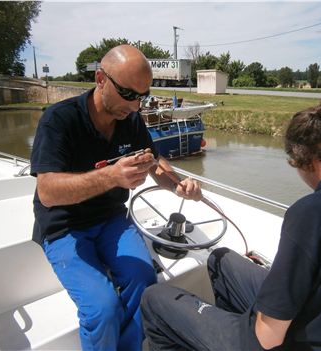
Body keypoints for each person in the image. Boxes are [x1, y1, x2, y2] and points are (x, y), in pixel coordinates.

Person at [141, 96, 321, 350]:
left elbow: (267, 337)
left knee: (156, 299)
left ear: (300, 161)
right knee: (220, 260)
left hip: (297, 342)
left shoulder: (310, 213)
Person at [30, 45, 201, 351]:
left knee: (145, 283)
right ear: (100, 79)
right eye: (127, 93)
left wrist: (177, 184)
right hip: (64, 227)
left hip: (111, 219)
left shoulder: (131, 120)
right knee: (104, 308)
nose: (136, 106)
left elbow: (155, 163)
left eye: (143, 96)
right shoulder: (59, 121)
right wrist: (112, 175)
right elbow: (47, 191)